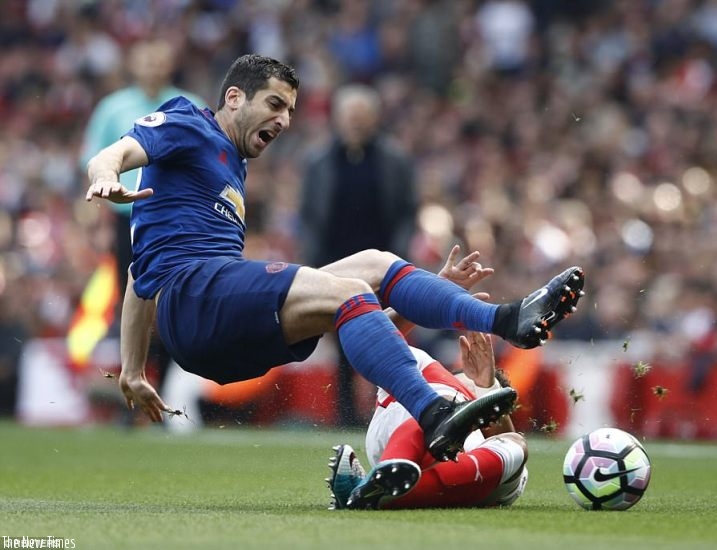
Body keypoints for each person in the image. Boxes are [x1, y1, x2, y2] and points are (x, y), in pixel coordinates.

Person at [83, 53, 585, 461]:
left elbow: (138, 275)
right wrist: (106, 175)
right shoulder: (190, 124)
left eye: (290, 112)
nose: (283, 119)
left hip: (214, 329)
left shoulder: (228, 166)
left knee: (372, 265)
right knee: (350, 288)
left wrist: (132, 372)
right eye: (275, 104)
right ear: (234, 98)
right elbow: (114, 153)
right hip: (196, 299)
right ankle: (436, 413)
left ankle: (506, 321)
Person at [80, 38, 207, 406]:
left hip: (174, 219)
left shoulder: (187, 105)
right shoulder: (113, 108)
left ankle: (163, 390)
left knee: (169, 305)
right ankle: (130, 391)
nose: (152, 68)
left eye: (159, 61)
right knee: (131, 303)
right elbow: (93, 157)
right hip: (129, 220)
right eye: (145, 61)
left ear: (169, 65)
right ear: (133, 66)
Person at [299, 84, 417, 426]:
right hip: (335, 263)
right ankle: (345, 412)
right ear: (337, 119)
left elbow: (407, 211)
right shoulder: (319, 160)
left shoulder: (394, 159)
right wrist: (312, 261)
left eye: (361, 117)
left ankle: (388, 411)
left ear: (374, 119)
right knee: (341, 339)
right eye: (350, 117)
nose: (355, 124)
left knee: (382, 335)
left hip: (380, 264)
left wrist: (398, 254)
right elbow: (308, 215)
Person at [326, 332, 529, 510]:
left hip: (436, 463)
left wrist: (488, 386)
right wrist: (408, 301)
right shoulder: (425, 367)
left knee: (516, 450)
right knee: (446, 409)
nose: (473, 388)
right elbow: (367, 333)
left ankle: (374, 488)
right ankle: (378, 492)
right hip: (410, 436)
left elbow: (505, 439)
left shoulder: (483, 434)